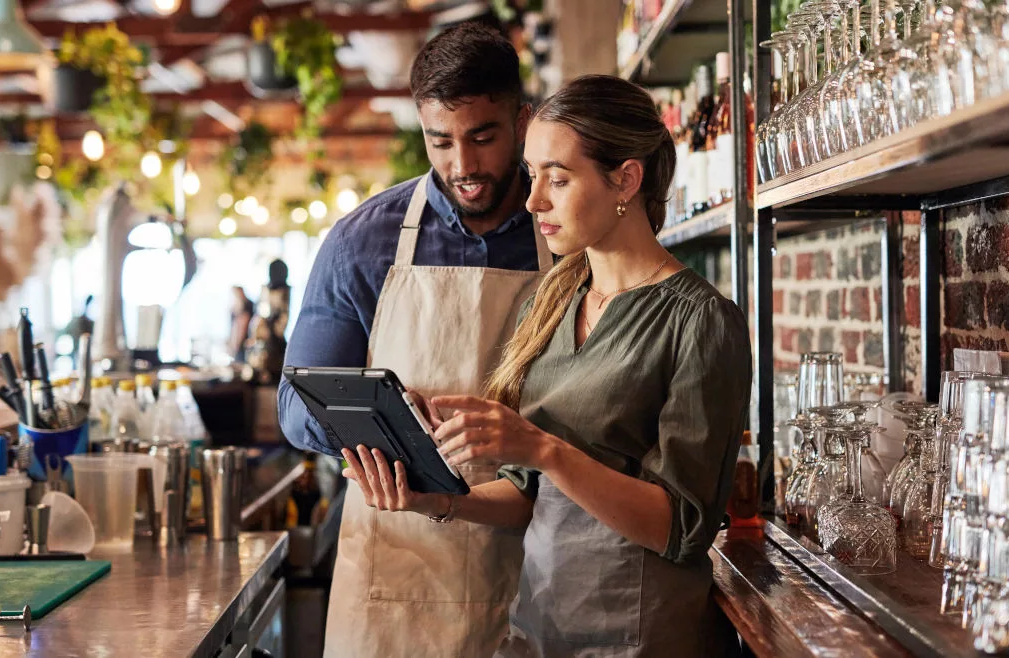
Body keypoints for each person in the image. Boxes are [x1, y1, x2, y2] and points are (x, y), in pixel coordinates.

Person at [341, 75, 753, 657]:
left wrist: (542, 448)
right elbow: (530, 495)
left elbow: (682, 528)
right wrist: (432, 499)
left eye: (557, 179)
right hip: (539, 627)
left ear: (626, 180)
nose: (534, 201)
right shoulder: (553, 299)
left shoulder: (702, 321)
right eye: (533, 176)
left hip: (641, 635)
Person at [276, 21, 551, 658]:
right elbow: (295, 408)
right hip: (398, 575)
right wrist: (380, 420)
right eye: (441, 142)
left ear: (522, 121)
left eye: (483, 137)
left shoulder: (563, 234)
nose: (464, 166)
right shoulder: (361, 243)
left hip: (538, 563)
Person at [228, 286, 254, 362]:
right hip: (239, 346)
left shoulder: (247, 307)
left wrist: (234, 347)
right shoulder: (235, 309)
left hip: (243, 346)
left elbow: (242, 328)